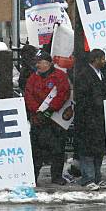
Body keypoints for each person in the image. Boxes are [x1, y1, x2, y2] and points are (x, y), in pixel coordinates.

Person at [24, 51, 71, 185]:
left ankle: (56, 176)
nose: (37, 64)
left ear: (49, 63)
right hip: (38, 119)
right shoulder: (33, 78)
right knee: (36, 150)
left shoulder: (60, 76)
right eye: (36, 62)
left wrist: (50, 109)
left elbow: (63, 94)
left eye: (40, 62)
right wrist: (37, 111)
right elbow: (28, 96)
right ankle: (33, 177)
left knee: (57, 150)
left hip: (55, 120)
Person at [73, 49, 106, 190]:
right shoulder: (84, 75)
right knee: (87, 150)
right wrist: (96, 102)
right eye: (102, 59)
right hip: (87, 118)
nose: (104, 61)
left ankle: (97, 177)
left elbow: (102, 90)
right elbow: (85, 96)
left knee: (98, 149)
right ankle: (88, 178)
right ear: (95, 59)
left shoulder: (99, 74)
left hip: (98, 117)